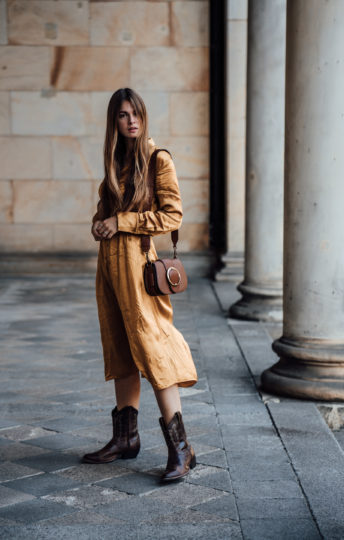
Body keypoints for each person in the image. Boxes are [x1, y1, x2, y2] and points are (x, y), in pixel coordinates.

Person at [81, 88, 198, 482]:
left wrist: (123, 222)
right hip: (109, 269)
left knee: (154, 350)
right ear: (114, 122)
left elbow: (172, 214)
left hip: (140, 271)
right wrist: (100, 223)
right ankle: (125, 438)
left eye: (136, 113)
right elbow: (105, 210)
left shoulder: (157, 160)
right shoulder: (115, 162)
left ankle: (182, 449)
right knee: (120, 349)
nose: (130, 120)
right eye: (122, 115)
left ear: (144, 117)